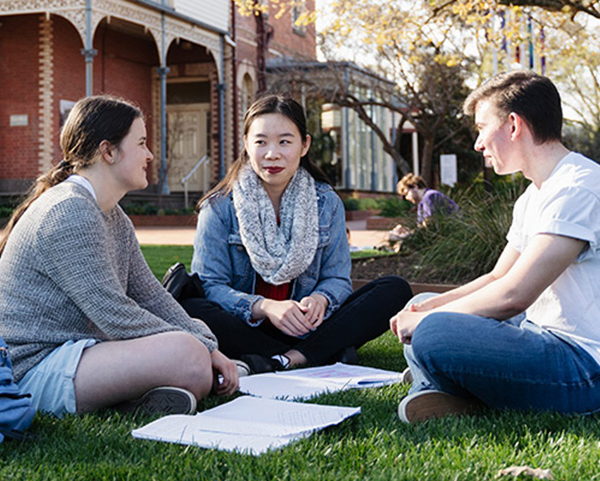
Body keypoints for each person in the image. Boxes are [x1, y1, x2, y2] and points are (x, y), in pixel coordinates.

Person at [0, 96, 238, 419]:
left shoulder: (111, 213)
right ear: (108, 151)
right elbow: (115, 315)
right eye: (141, 143)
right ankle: (130, 398)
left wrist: (205, 342)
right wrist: (199, 346)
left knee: (192, 334)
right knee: (188, 354)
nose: (150, 155)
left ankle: (130, 402)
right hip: (33, 370)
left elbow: (151, 295)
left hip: (79, 353)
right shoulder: (70, 211)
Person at [390, 70, 600, 423]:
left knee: (434, 331)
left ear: (514, 125)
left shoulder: (578, 187)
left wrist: (428, 321)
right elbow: (497, 278)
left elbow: (514, 296)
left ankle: (443, 384)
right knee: (421, 304)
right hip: (537, 336)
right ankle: (451, 383)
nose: (478, 144)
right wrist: (429, 307)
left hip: (582, 368)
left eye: (482, 127)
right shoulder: (533, 195)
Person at [182, 94, 413, 373]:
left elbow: (337, 278)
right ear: (245, 144)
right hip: (244, 325)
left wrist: (321, 299)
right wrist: (264, 307)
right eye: (260, 142)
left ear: (304, 145)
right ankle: (318, 353)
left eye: (284, 141)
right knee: (190, 306)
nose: (272, 153)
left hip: (308, 326)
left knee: (394, 289)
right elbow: (210, 286)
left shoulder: (326, 202)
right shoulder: (219, 207)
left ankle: (283, 359)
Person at [384, 174, 459, 248]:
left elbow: (430, 224)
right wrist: (406, 230)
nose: (406, 198)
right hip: (441, 237)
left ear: (415, 186)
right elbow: (422, 227)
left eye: (406, 194)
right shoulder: (421, 203)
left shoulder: (430, 196)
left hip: (449, 237)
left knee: (397, 239)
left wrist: (406, 235)